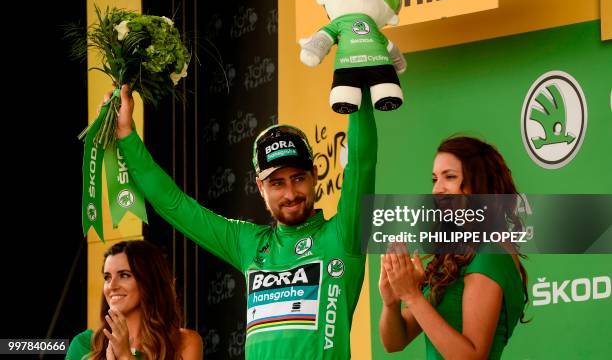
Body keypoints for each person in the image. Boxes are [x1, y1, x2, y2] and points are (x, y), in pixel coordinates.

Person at [110, 84, 377, 359]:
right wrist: (126, 135)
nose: (290, 193)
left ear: (314, 174)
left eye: (298, 178)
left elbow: (362, 164)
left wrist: (356, 84)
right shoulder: (248, 242)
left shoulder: (344, 234)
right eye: (277, 183)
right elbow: (175, 205)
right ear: (260, 188)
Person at [379, 136, 529, 359]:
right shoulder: (456, 258)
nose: (437, 189)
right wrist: (391, 303)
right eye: (434, 179)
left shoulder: (491, 255)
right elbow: (395, 342)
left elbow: (472, 356)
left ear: (480, 184)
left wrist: (412, 295)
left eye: (449, 177)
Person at [66, 240, 203, 360]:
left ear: (149, 281)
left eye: (124, 275)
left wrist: (125, 356)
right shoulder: (83, 345)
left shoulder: (185, 343)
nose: (112, 286)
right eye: (107, 277)